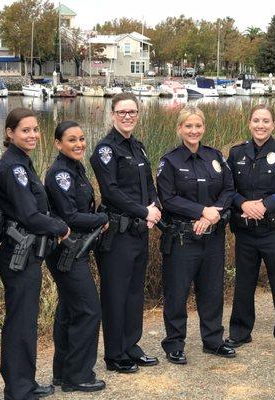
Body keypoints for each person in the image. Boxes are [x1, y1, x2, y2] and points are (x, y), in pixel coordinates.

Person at [0, 107, 70, 399]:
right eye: (25, 130)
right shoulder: (14, 167)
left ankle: (23, 382)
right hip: (19, 254)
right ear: (10, 133)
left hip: (26, 254)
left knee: (25, 320)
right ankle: (18, 388)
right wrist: (60, 227)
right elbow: (30, 214)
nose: (33, 135)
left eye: (36, 129)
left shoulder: (21, 162)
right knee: (20, 322)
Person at [156, 105, 235, 364]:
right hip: (183, 238)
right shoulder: (170, 161)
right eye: (188, 126)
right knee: (177, 293)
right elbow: (167, 199)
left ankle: (213, 340)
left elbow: (229, 189)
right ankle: (174, 343)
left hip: (213, 235)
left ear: (203, 128)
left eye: (198, 126)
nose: (193, 130)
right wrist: (202, 211)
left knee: (212, 291)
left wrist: (212, 214)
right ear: (179, 128)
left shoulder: (215, 157)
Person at [225, 104, 275, 357]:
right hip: (246, 231)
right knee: (244, 283)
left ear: (273, 125)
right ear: (249, 123)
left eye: (266, 121)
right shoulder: (236, 153)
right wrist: (243, 204)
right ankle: (239, 331)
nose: (261, 125)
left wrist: (265, 205)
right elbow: (227, 189)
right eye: (256, 120)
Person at [90, 92, 161, 373]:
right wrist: (144, 212)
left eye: (132, 112)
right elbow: (111, 192)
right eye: (122, 112)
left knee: (134, 293)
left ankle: (132, 346)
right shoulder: (106, 150)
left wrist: (155, 208)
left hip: (140, 232)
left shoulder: (138, 147)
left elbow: (149, 184)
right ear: (112, 115)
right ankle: (114, 354)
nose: (128, 116)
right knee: (115, 294)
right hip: (117, 234)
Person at [44, 121, 107, 392]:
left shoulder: (76, 168)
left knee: (69, 311)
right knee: (88, 310)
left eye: (81, 138)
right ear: (58, 144)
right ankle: (79, 376)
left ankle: (62, 373)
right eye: (71, 140)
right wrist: (101, 218)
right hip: (66, 252)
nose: (79, 144)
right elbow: (69, 216)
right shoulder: (60, 173)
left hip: (77, 249)